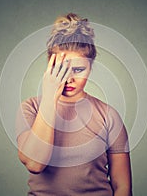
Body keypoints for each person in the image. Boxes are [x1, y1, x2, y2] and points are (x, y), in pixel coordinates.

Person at [16, 13, 132, 196]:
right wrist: (49, 98)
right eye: (62, 69)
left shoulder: (109, 116)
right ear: (49, 65)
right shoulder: (30, 108)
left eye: (78, 70)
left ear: (90, 68)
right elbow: (35, 164)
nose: (69, 78)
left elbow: (122, 187)